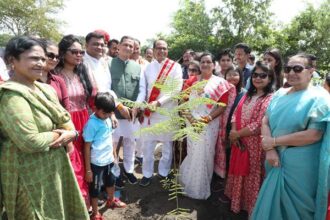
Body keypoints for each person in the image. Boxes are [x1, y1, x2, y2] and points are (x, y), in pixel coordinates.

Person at [0, 36, 89, 219]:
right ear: (11, 61)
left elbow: (66, 119)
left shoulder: (45, 89)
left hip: (55, 168)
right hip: (29, 176)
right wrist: (60, 134)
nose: (40, 63)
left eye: (42, 58)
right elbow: (30, 141)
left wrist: (71, 132)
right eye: (33, 58)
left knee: (61, 209)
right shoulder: (11, 96)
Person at [251, 53, 330, 220]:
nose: (291, 73)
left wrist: (273, 141)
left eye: (297, 68)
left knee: (299, 211)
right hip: (274, 159)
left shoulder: (321, 97)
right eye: (288, 69)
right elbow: (265, 121)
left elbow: (314, 134)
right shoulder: (280, 93)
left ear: (311, 71)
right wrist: (270, 149)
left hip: (301, 165)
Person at [179, 52, 235, 199]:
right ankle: (188, 182)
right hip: (191, 122)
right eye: (202, 62)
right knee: (193, 152)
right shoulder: (191, 81)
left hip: (209, 123)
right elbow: (182, 102)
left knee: (206, 153)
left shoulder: (220, 83)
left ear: (213, 64)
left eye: (208, 62)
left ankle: (201, 186)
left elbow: (222, 106)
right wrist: (192, 120)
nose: (205, 64)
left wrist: (205, 120)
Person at [224, 61, 274, 215]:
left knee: (251, 173)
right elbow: (234, 114)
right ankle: (236, 202)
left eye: (262, 75)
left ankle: (250, 207)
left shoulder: (270, 98)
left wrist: (237, 134)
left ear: (270, 78)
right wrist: (233, 133)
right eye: (255, 75)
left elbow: (260, 124)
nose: (258, 78)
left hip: (254, 145)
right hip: (238, 141)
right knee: (238, 172)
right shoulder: (247, 94)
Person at [137, 39, 183, 187]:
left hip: (167, 111)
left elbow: (176, 90)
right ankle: (147, 174)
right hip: (150, 113)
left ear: (167, 50)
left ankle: (163, 172)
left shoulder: (175, 67)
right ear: (153, 49)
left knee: (167, 145)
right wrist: (142, 104)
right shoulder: (147, 68)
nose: (162, 51)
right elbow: (143, 89)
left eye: (164, 48)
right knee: (148, 145)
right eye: (159, 48)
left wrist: (159, 102)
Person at [56, 34, 95, 206]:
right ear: (63, 53)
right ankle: (76, 201)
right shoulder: (54, 75)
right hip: (67, 123)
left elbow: (92, 98)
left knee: (88, 159)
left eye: (81, 52)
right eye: (74, 52)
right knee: (73, 161)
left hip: (85, 121)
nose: (79, 55)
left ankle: (89, 199)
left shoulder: (83, 72)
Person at [83, 92, 126, 220]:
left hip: (109, 160)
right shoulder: (91, 124)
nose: (106, 116)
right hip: (96, 163)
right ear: (95, 108)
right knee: (95, 189)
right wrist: (88, 170)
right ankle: (95, 213)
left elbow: (110, 138)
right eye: (104, 113)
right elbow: (86, 147)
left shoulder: (107, 118)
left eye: (109, 113)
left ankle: (111, 200)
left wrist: (114, 155)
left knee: (111, 182)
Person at [110, 36, 141, 185]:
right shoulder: (108, 64)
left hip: (131, 114)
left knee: (130, 142)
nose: (128, 48)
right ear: (119, 46)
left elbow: (142, 89)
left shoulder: (137, 66)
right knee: (113, 143)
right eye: (126, 45)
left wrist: (137, 106)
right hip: (113, 113)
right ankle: (115, 172)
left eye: (131, 46)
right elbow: (106, 88)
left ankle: (129, 170)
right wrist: (117, 106)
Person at [39, 39, 69, 110]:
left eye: (57, 57)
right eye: (50, 55)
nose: (55, 60)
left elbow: (66, 109)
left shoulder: (59, 81)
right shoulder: (29, 80)